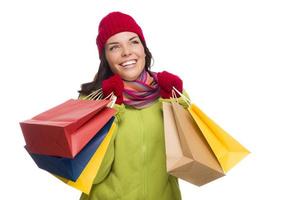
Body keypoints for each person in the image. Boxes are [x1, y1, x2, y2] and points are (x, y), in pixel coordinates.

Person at [78, 11, 186, 200]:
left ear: (144, 48)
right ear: (105, 57)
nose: (127, 51)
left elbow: (188, 162)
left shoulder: (170, 93)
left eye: (133, 41)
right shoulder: (91, 101)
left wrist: (174, 105)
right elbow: (95, 175)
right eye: (114, 47)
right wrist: (111, 110)